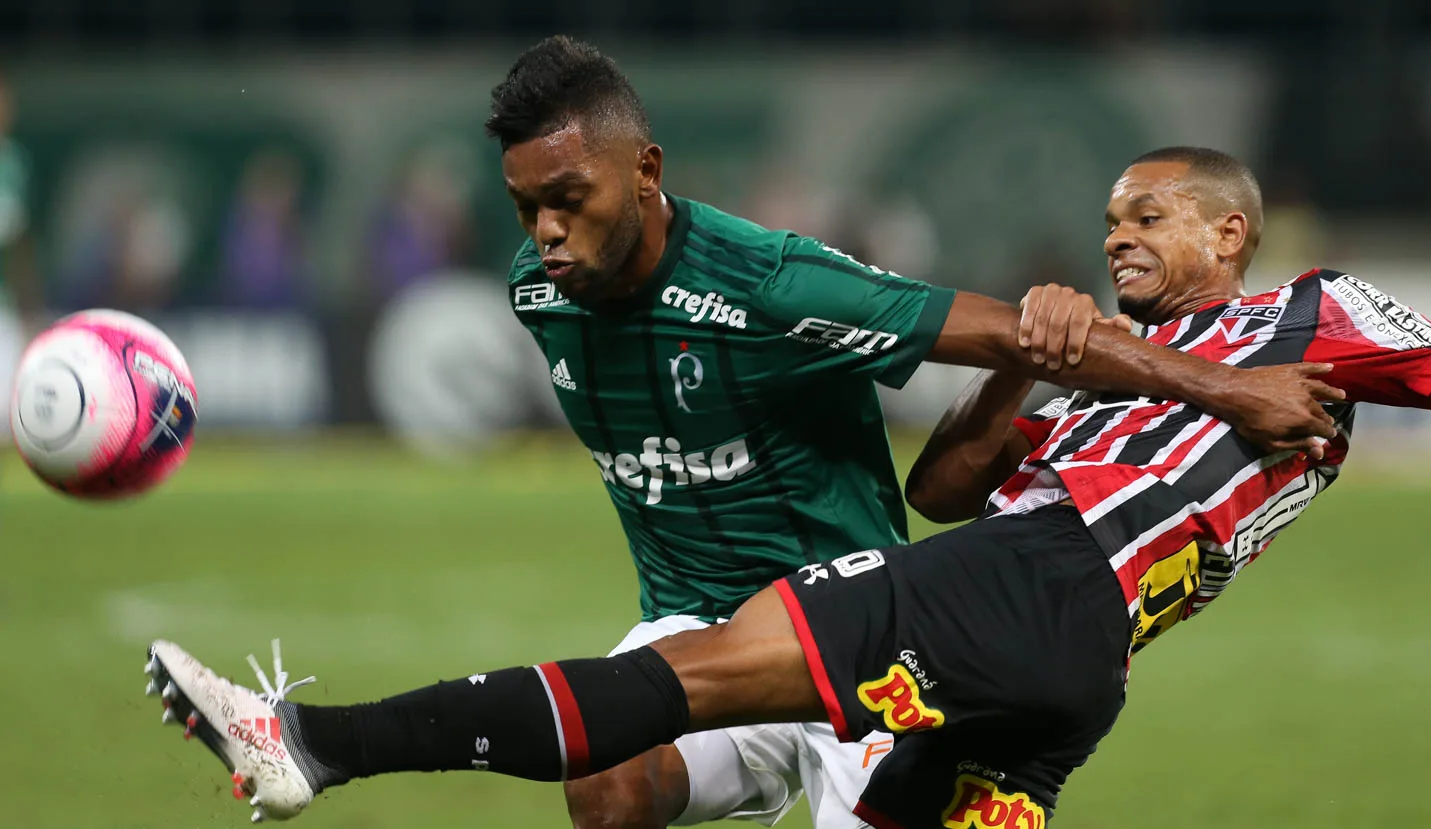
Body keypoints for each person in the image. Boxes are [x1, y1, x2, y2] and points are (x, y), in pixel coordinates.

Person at [143, 110, 1355, 829]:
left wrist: (1225, 384)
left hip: (870, 618)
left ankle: (318, 742)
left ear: (645, 175)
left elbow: (998, 341)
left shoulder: (775, 283)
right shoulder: (535, 292)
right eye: (527, 207)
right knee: (606, 789)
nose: (546, 233)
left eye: (567, 200)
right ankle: (310, 743)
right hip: (702, 620)